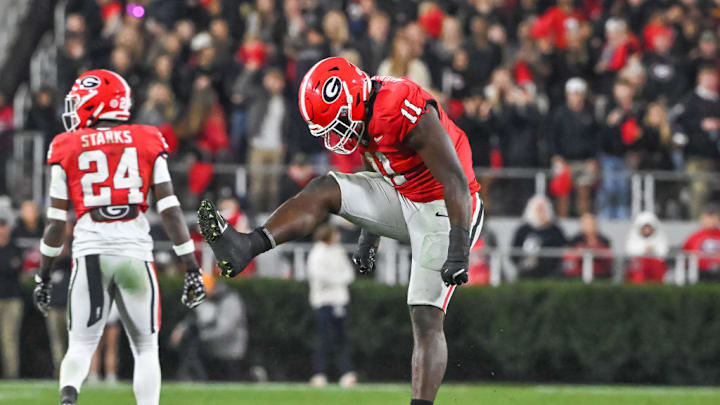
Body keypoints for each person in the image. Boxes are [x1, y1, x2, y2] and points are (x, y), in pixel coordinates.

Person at [198, 57, 484, 405]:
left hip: (447, 204)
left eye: (340, 122)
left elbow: (454, 177)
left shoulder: (401, 106)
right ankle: (247, 244)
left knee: (425, 314)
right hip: (403, 194)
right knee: (323, 188)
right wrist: (370, 231)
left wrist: (459, 247)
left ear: (356, 100)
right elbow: (376, 161)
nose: (337, 135)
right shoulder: (365, 110)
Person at [31, 69, 206, 405]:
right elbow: (169, 209)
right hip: (134, 255)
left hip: (91, 252)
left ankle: (69, 398)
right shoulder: (147, 138)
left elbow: (55, 223)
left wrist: (43, 272)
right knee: (144, 348)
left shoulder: (65, 146)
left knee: (80, 344)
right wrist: (191, 264)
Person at [170, 274, 248, 381]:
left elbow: (225, 328)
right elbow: (192, 319)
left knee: (228, 383)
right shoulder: (206, 301)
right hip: (211, 351)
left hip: (230, 351)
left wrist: (203, 335)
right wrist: (180, 330)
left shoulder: (230, 300)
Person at [307, 224, 356, 388]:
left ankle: (346, 373)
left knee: (342, 339)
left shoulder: (338, 251)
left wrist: (337, 279)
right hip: (324, 303)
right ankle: (319, 373)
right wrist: (338, 279)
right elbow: (321, 276)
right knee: (324, 339)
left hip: (340, 301)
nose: (338, 237)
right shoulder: (317, 253)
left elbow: (349, 274)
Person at [547, 78, 598, 217]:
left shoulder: (590, 114)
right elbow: (552, 137)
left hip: (584, 161)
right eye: (573, 93)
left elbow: (595, 138)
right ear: (567, 95)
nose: (576, 97)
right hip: (564, 161)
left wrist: (593, 158)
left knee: (584, 194)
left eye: (579, 93)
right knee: (562, 195)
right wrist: (557, 157)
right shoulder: (559, 114)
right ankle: (563, 221)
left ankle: (584, 223)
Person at [673, 66, 720, 219]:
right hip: (697, 154)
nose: (710, 81)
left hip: (715, 154)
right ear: (700, 79)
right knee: (700, 188)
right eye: (707, 77)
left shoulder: (716, 100)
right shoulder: (690, 100)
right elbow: (678, 122)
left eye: (713, 78)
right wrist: (701, 124)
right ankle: (697, 224)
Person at [246, 68, 290, 211]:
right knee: (257, 184)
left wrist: (284, 142)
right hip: (258, 145)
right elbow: (241, 90)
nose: (274, 84)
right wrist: (250, 71)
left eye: (277, 81)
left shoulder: (284, 102)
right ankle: (254, 215)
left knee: (273, 186)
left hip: (276, 147)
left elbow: (286, 125)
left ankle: (271, 216)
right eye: (271, 80)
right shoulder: (260, 96)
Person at [511, 195, 567, 279]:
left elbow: (562, 250)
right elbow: (514, 252)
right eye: (538, 209)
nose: (541, 212)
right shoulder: (523, 230)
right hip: (526, 273)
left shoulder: (555, 230)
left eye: (543, 209)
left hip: (551, 274)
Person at [0, 212, 23, 379]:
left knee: (9, 338)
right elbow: (9, 268)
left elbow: (15, 268)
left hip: (12, 299)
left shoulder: (15, 248)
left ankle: (11, 375)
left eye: (3, 227)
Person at [563, 213, 612, 279]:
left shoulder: (604, 241)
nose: (589, 226)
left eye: (591, 223)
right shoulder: (574, 241)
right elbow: (569, 260)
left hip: (600, 275)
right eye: (586, 224)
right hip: (577, 276)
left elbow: (608, 259)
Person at [625, 211, 668, 283]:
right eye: (644, 227)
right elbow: (630, 251)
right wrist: (644, 250)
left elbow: (663, 252)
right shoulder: (633, 238)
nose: (647, 230)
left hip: (655, 269)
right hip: (638, 270)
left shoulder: (660, 238)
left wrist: (653, 250)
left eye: (649, 227)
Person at [683, 203, 720, 282]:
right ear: (702, 219)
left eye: (714, 217)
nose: (711, 220)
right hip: (700, 273)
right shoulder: (694, 237)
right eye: (708, 217)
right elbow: (686, 255)